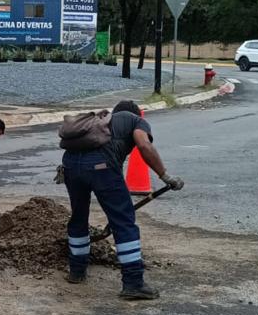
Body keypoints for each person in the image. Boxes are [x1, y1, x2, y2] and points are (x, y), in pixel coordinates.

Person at [61, 99, 183, 299]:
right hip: (101, 167)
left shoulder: (102, 121)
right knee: (124, 222)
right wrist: (165, 176)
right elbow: (144, 145)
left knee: (78, 216)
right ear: (136, 113)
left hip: (70, 165)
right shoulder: (135, 120)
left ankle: (76, 271)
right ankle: (133, 283)